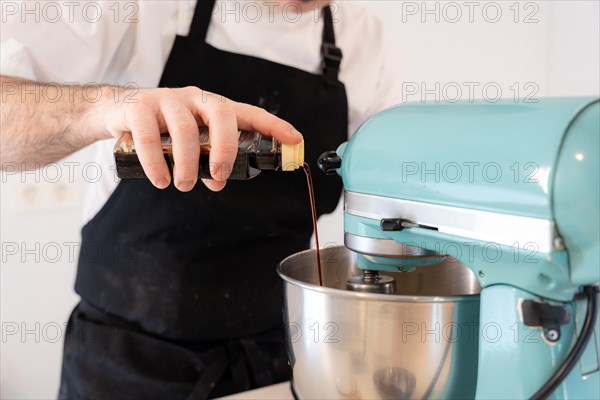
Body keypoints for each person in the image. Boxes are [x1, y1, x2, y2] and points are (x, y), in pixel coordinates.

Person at [0, 0, 401, 398]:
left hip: (282, 356)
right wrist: (102, 107)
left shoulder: (364, 39)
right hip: (128, 363)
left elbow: (387, 208)